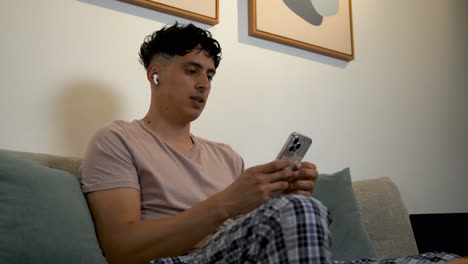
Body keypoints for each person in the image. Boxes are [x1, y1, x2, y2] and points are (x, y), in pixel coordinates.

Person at [80, 23, 460, 264]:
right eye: (192, 70)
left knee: (444, 259)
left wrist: (284, 200)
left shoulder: (225, 156)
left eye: (210, 75)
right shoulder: (117, 140)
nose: (204, 84)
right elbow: (122, 249)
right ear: (155, 74)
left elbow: (252, 235)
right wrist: (229, 203)